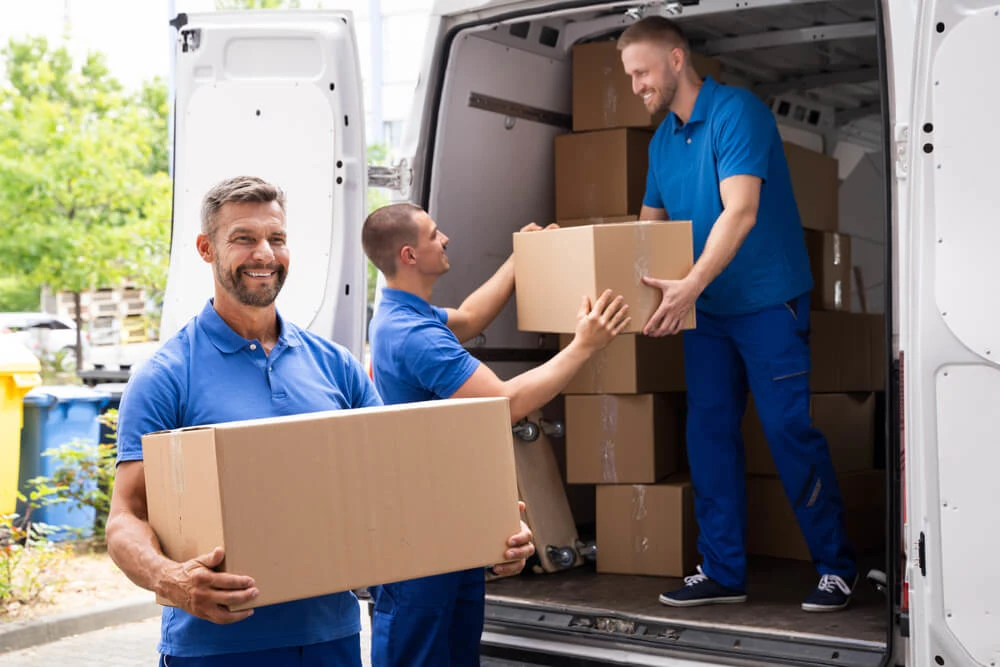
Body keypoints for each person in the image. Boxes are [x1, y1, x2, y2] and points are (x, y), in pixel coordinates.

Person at [105, 176, 532, 666]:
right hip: (217, 648)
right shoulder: (166, 376)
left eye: (277, 239)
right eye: (244, 238)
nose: (264, 253)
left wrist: (484, 537)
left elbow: (397, 491)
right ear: (206, 249)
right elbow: (125, 518)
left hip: (332, 640)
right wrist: (171, 581)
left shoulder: (336, 366)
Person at [617, 17, 858, 612]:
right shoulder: (662, 142)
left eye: (642, 73)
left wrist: (689, 286)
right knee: (709, 435)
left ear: (677, 59)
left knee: (786, 430)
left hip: (765, 301)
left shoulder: (737, 112)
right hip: (707, 311)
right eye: (629, 77)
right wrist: (578, 261)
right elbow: (648, 230)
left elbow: (741, 210)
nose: (636, 87)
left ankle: (836, 567)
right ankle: (723, 570)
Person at [362, 203, 631, 665]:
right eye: (434, 234)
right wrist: (584, 346)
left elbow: (469, 317)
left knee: (456, 648)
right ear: (409, 254)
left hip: (447, 521)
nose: (445, 239)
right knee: (420, 649)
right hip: (422, 534)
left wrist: (517, 259)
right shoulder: (414, 336)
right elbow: (503, 403)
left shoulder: (406, 312)